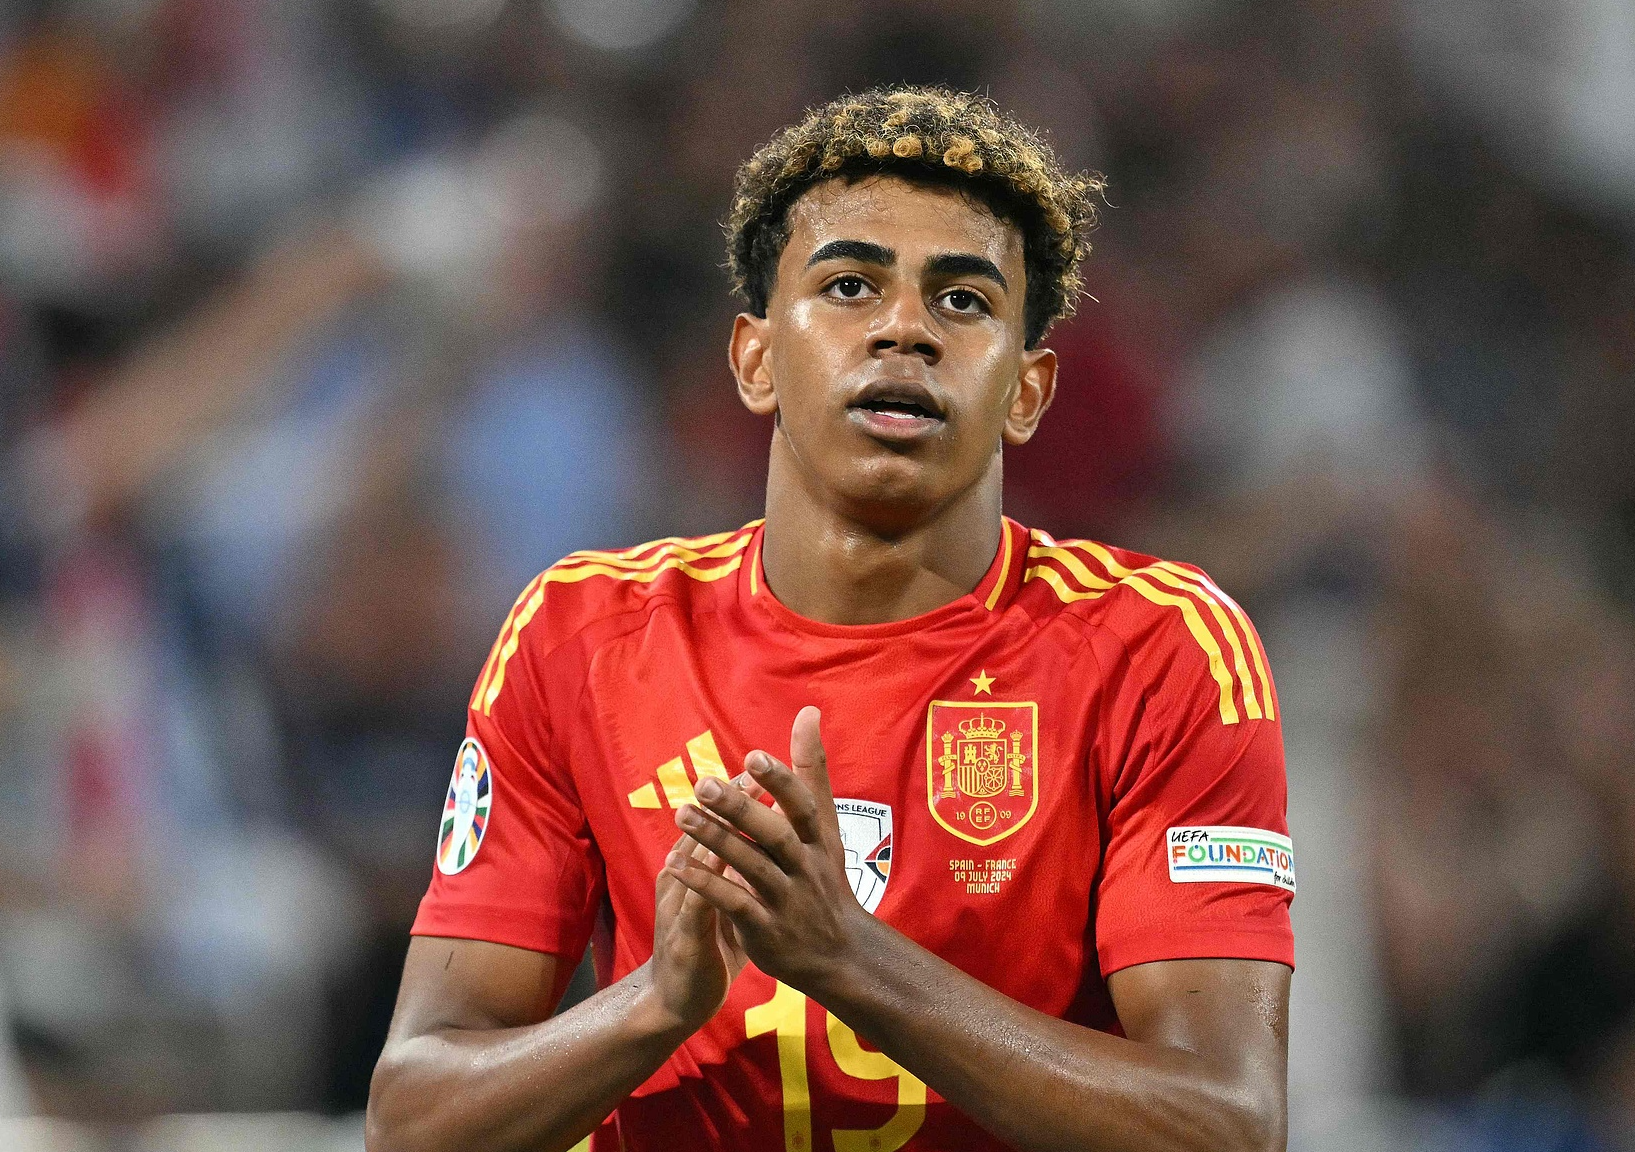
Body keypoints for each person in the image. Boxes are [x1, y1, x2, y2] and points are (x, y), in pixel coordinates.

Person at [366, 87, 1295, 1152]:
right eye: (850, 285)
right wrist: (655, 1007)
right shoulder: (580, 634)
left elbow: (1223, 1127)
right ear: (754, 360)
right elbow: (414, 1120)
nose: (904, 327)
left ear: (1027, 392)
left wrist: (844, 956)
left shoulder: (1159, 649)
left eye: (962, 301)